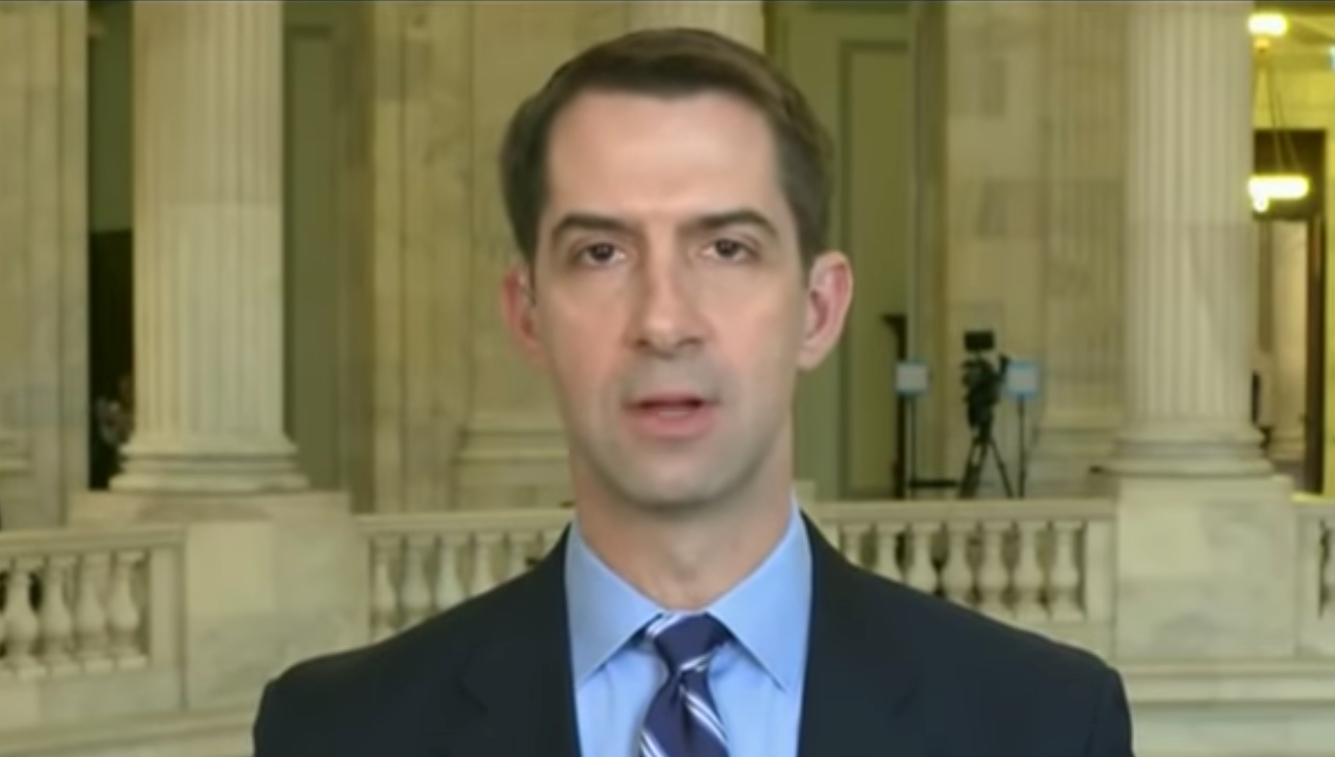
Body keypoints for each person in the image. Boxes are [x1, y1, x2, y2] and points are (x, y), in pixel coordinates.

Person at [253, 27, 1133, 757]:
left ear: (818, 309)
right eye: (601, 253)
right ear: (528, 314)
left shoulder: (1046, 724)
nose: (664, 320)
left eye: (726, 248)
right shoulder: (335, 732)